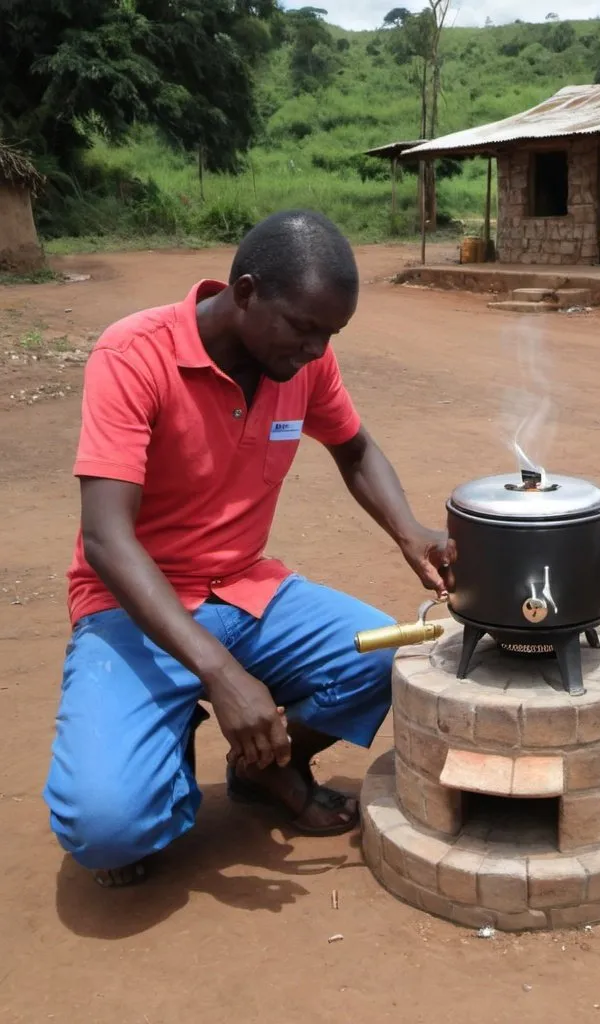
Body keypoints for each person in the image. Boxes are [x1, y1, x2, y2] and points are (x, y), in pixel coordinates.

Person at [44, 210, 453, 888]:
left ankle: (263, 770)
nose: (318, 350)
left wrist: (411, 530)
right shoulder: (134, 355)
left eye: (331, 333)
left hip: (246, 591)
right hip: (134, 608)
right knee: (109, 827)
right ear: (245, 293)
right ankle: (161, 752)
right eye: (304, 328)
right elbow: (107, 539)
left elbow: (354, 448)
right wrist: (222, 676)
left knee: (397, 653)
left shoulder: (301, 362)